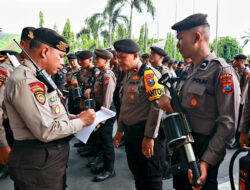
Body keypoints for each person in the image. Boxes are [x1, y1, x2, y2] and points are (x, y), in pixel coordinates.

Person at [4, 27, 96, 190]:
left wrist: (74, 118)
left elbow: (51, 114)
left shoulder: (37, 77)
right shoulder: (26, 81)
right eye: (60, 56)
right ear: (45, 51)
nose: (63, 63)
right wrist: (80, 122)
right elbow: (46, 131)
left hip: (46, 163)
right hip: (37, 164)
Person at [158, 13, 241, 190]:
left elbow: (228, 124)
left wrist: (205, 161)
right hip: (182, 146)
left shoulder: (221, 72)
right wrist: (169, 102)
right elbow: (186, 107)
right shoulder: (187, 71)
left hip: (203, 152)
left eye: (181, 39)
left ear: (197, 37)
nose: (178, 45)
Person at [113, 39, 166, 190]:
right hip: (131, 135)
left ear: (135, 55)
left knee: (151, 178)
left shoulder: (149, 74)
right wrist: (119, 130)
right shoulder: (129, 74)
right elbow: (125, 106)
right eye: (117, 57)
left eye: (122, 57)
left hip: (146, 133)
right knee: (139, 176)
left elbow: (157, 105)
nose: (118, 61)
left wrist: (149, 136)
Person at [0, 27, 36, 180]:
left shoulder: (27, 68)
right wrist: (2, 144)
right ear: (22, 44)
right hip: (9, 125)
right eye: (29, 45)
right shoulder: (6, 70)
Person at [84, 49, 116, 182]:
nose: (95, 60)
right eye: (95, 58)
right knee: (101, 140)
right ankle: (104, 164)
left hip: (106, 112)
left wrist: (101, 119)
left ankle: (110, 170)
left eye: (98, 58)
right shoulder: (101, 74)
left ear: (107, 61)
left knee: (107, 142)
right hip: (101, 110)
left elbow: (107, 101)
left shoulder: (107, 75)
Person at [230, 54, 250, 149]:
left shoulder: (246, 72)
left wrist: (241, 101)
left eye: (235, 61)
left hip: (242, 101)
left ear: (240, 61)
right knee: (237, 121)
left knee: (240, 122)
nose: (233, 62)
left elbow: (245, 88)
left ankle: (238, 142)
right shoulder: (237, 71)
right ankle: (237, 140)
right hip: (237, 100)